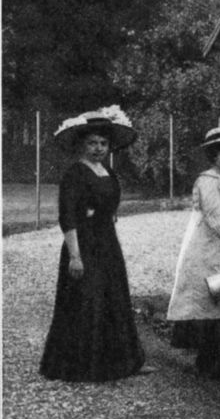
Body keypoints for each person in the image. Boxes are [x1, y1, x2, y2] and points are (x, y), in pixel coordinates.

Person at [41, 107, 151, 381]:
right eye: (92, 143)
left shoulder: (109, 173)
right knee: (86, 300)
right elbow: (67, 217)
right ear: (82, 144)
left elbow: (109, 208)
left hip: (107, 244)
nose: (98, 148)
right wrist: (75, 256)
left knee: (113, 298)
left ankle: (122, 363)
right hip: (83, 244)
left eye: (103, 143)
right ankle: (83, 366)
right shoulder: (75, 174)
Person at [167, 127, 220, 380]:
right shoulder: (207, 180)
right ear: (213, 157)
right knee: (207, 296)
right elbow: (215, 216)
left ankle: (212, 359)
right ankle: (207, 360)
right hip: (205, 246)